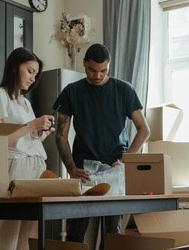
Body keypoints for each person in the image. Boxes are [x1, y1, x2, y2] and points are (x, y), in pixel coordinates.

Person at [53, 43, 151, 244]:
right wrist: (71, 168)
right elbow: (60, 136)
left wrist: (126, 159)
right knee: (75, 233)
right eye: (92, 70)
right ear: (84, 64)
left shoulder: (124, 90)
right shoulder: (71, 92)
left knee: (112, 234)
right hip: (83, 171)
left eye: (103, 70)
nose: (97, 75)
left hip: (115, 169)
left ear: (109, 66)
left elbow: (144, 129)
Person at [0, 47, 55, 250]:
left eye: (36, 74)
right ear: (15, 67)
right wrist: (32, 125)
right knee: (10, 229)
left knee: (31, 232)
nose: (33, 78)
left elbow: (25, 141)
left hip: (36, 167)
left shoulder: (25, 103)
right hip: (14, 169)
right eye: (30, 71)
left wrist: (40, 135)